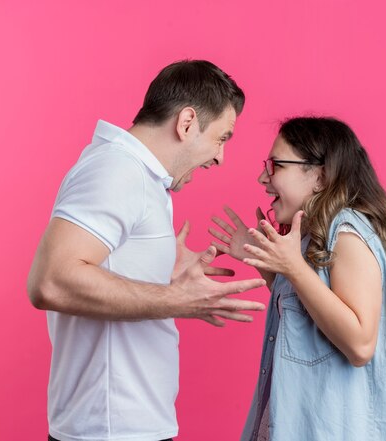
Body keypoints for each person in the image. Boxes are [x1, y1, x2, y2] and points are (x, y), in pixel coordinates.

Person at [27, 60, 267, 441]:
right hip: (111, 431)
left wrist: (165, 278)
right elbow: (51, 281)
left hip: (125, 426)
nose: (221, 156)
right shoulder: (117, 171)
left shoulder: (142, 177)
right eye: (222, 137)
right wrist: (177, 299)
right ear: (187, 122)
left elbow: (96, 272)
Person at [209, 116, 386, 440]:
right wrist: (269, 263)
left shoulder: (347, 232)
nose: (262, 177)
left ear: (320, 177)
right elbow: (310, 317)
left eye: (276, 165)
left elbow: (360, 344)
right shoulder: (313, 237)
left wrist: (292, 267)